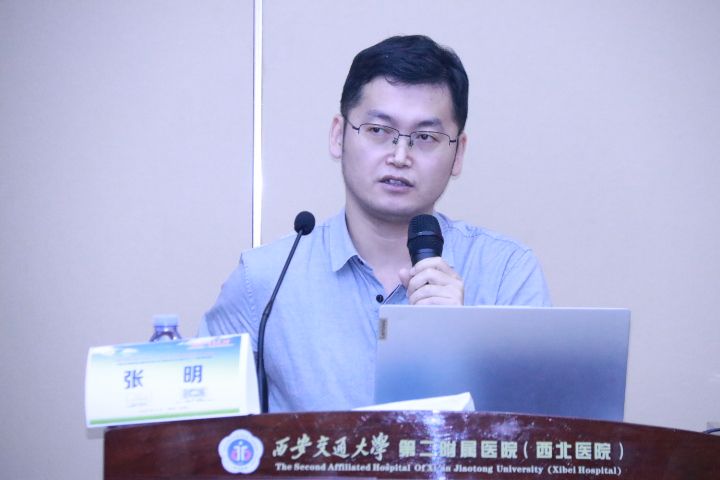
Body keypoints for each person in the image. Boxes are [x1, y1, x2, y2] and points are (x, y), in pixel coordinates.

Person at [199, 35, 551, 412]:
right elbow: (197, 425)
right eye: (379, 131)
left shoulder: (506, 274)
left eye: (425, 137)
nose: (399, 156)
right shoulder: (265, 281)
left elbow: (543, 432)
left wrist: (463, 343)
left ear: (458, 153)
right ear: (338, 136)